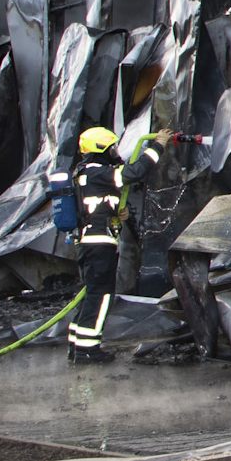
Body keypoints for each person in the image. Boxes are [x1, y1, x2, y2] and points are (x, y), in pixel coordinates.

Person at [50, 126, 173, 365]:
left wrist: (117, 213)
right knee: (100, 295)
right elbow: (134, 172)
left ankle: (77, 346)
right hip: (99, 245)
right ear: (102, 149)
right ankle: (88, 350)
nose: (115, 151)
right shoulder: (98, 171)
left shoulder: (84, 174)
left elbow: (95, 206)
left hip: (90, 243)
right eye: (112, 147)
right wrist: (158, 145)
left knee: (91, 295)